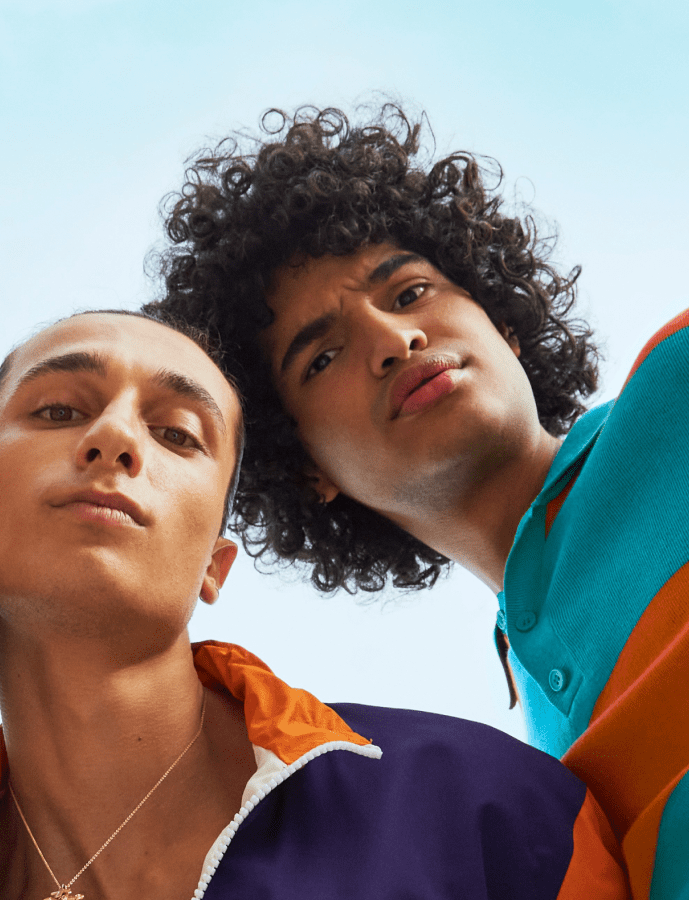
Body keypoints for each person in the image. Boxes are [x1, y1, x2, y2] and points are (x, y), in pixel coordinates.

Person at [0, 310, 626, 900]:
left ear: (215, 565)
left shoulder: (479, 809)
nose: (114, 439)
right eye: (59, 410)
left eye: (177, 433)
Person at [145, 104, 689, 900]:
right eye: (323, 355)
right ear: (304, 470)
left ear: (500, 318)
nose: (395, 340)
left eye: (411, 291)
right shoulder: (521, 762)